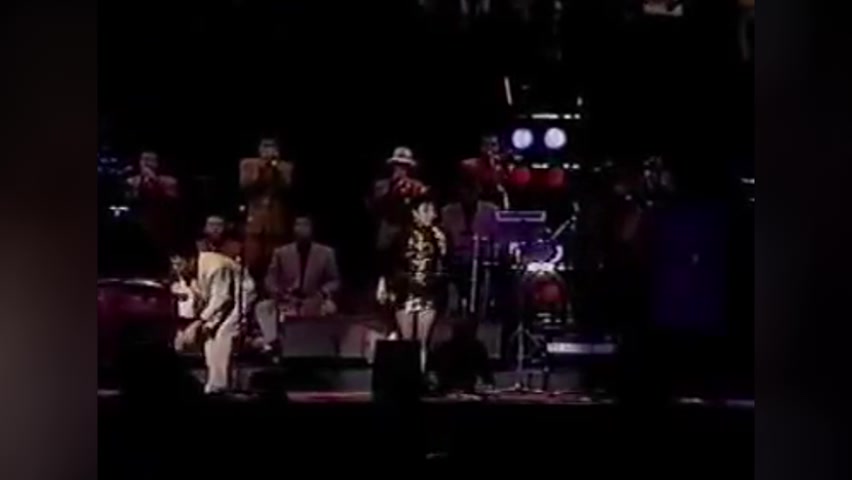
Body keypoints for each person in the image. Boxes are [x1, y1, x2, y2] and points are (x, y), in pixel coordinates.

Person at [172, 247, 256, 394]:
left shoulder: (216, 267)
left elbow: (222, 299)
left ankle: (220, 385)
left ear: (190, 260)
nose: (176, 268)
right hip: (214, 299)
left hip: (238, 297)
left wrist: (200, 321)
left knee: (223, 335)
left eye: (179, 264)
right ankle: (214, 383)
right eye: (173, 264)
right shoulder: (185, 271)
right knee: (208, 337)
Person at [377, 194, 447, 371]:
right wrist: (384, 284)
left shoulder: (440, 235)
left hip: (428, 291)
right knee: (405, 341)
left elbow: (445, 263)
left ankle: (421, 375)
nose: (431, 215)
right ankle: (405, 376)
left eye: (433, 210)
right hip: (405, 290)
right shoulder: (401, 236)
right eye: (426, 210)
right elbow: (389, 263)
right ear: (415, 213)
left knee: (423, 340)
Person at [254, 215, 340, 353]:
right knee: (263, 307)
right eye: (298, 225)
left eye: (306, 225)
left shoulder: (326, 253)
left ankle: (325, 347)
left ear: (312, 229)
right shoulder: (281, 252)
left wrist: (322, 292)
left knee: (331, 308)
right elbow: (270, 278)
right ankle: (273, 342)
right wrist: (278, 291)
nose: (302, 229)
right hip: (287, 299)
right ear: (293, 229)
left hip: (314, 299)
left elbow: (335, 280)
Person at [440, 184, 500, 319]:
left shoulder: (491, 210)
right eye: (465, 190)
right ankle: (456, 305)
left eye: (472, 191)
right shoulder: (448, 211)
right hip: (456, 256)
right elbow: (444, 236)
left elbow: (496, 235)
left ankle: (481, 308)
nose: (468, 195)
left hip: (482, 256)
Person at [240, 137, 294, 284]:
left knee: (275, 260)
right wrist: (263, 168)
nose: (268, 150)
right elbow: (246, 186)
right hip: (255, 220)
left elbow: (286, 189)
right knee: (253, 259)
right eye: (265, 147)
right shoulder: (248, 164)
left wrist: (275, 169)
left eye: (272, 147)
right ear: (259, 149)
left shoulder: (285, 167)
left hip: (276, 220)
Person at [125, 149, 180, 256]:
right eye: (144, 159)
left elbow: (171, 201)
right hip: (138, 222)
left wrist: (154, 180)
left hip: (162, 222)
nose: (146, 163)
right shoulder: (131, 181)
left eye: (150, 160)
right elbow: (129, 201)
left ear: (157, 163)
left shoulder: (170, 181)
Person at [459, 134, 510, 208]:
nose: (489, 149)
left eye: (493, 145)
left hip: (497, 207)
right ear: (481, 148)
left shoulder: (502, 167)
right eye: (486, 145)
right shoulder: (468, 166)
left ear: (498, 147)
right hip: (477, 207)